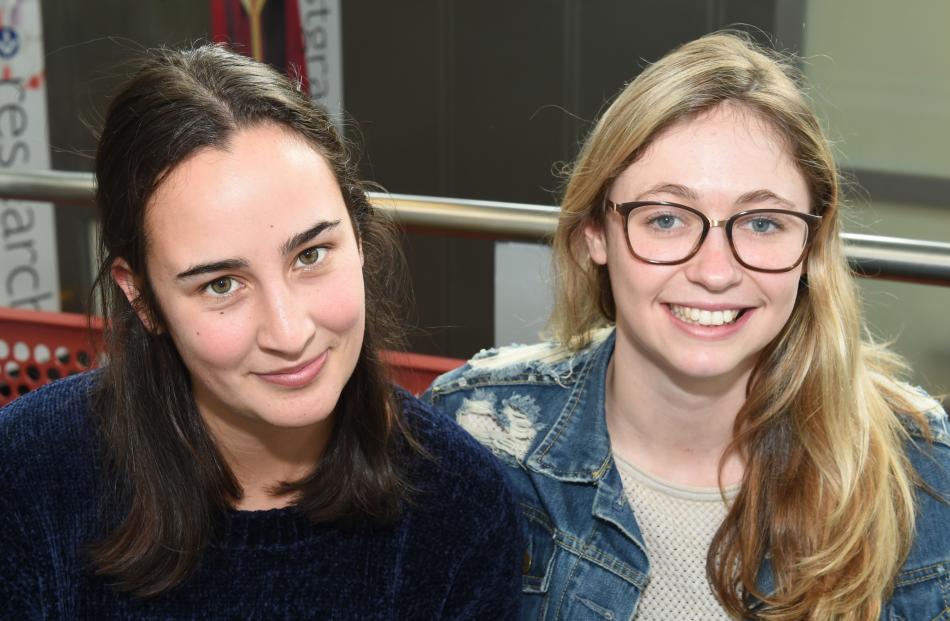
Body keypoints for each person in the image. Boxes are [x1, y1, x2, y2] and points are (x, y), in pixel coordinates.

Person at [425, 31, 949, 621]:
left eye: (762, 223)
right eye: (668, 219)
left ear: (812, 247)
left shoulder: (921, 468)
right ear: (595, 234)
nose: (716, 272)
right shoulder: (474, 433)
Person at [0, 44, 521, 619]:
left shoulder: (460, 508)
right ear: (141, 298)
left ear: (360, 238)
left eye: (312, 254)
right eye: (221, 284)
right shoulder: (25, 478)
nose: (289, 331)